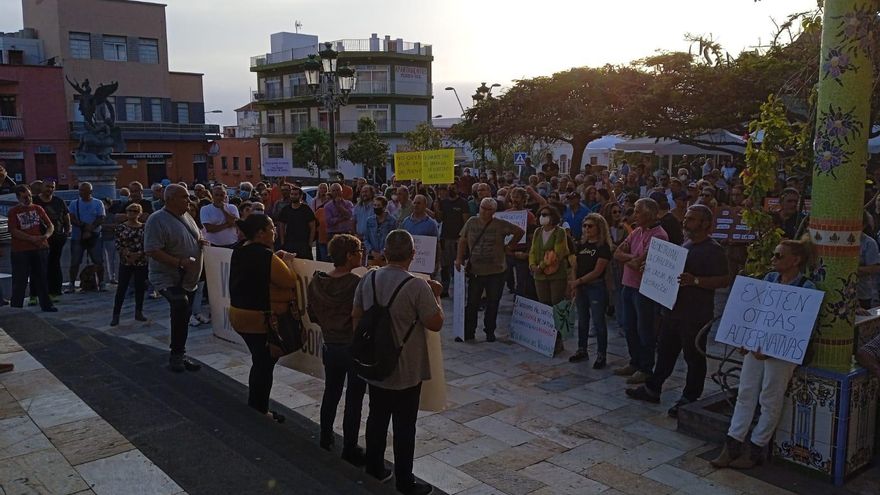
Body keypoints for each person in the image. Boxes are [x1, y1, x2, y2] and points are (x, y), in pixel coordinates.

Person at [711, 238, 817, 470]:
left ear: (795, 260)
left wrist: (771, 349)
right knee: (746, 392)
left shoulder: (806, 289)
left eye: (779, 255)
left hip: (782, 353)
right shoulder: (769, 279)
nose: (773, 259)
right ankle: (733, 442)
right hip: (757, 346)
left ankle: (757, 446)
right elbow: (755, 312)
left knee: (770, 396)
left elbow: (802, 328)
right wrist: (744, 338)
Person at [353, 230, 443, 495]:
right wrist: (437, 295)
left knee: (376, 417)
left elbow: (356, 315)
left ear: (385, 252)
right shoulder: (417, 286)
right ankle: (405, 481)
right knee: (404, 426)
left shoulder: (369, 278)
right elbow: (435, 323)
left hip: (375, 363)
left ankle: (374, 468)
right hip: (406, 367)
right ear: (412, 255)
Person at [626, 205, 730, 416]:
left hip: (696, 314)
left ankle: (690, 396)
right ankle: (653, 388)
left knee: (694, 357)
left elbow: (724, 280)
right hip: (673, 310)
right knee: (665, 352)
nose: (685, 221)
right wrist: (652, 270)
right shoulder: (686, 243)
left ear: (705, 224)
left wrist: (696, 281)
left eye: (691, 219)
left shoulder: (714, 250)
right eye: (687, 217)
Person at [228, 214, 296, 422]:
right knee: (264, 363)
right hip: (257, 318)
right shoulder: (264, 255)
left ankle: (256, 405)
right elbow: (288, 281)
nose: (274, 231)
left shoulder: (240, 249)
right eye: (271, 228)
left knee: (260, 361)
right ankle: (260, 409)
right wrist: (288, 262)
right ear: (260, 233)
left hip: (238, 313)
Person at [308, 234, 367, 464]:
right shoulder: (355, 283)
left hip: (330, 344)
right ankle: (350, 447)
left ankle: (325, 436)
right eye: (359, 251)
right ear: (349, 255)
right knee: (354, 398)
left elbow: (312, 314)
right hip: (352, 346)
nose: (362, 254)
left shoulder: (317, 281)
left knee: (331, 392)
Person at [144, 184, 206, 373]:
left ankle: (179, 352)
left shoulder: (187, 216)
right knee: (180, 304)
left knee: (184, 314)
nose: (189, 200)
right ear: (169, 199)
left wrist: (199, 241)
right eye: (184, 197)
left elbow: (193, 235)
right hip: (167, 277)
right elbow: (152, 250)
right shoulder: (156, 220)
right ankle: (176, 356)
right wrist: (178, 262)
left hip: (188, 279)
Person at [613, 198, 668, 384]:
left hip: (644, 289)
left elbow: (638, 263)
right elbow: (617, 253)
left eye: (638, 211)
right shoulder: (637, 231)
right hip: (628, 284)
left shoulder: (659, 236)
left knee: (644, 329)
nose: (634, 215)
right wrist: (632, 257)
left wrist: (629, 258)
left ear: (649, 214)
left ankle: (645, 367)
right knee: (629, 326)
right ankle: (634, 361)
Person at [455, 198, 524, 343]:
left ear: (493, 211)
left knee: (493, 302)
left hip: (496, 271)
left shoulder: (500, 224)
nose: (484, 211)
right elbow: (462, 239)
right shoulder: (472, 222)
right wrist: (459, 259)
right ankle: (469, 331)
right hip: (476, 270)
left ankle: (490, 331)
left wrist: (509, 246)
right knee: (472, 303)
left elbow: (519, 231)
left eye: (488, 209)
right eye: (483, 208)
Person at [568, 213, 612, 368]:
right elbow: (575, 266)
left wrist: (578, 281)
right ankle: (582, 349)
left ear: (599, 228)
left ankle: (601, 354)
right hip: (581, 287)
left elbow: (598, 271)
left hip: (595, 286)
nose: (587, 229)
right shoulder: (582, 245)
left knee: (599, 321)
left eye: (590, 226)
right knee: (582, 320)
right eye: (584, 226)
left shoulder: (603, 247)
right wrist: (575, 283)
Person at [8, 185, 56, 312]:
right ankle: (16, 307)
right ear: (18, 198)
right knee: (20, 280)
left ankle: (46, 304)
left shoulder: (38, 208)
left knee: (42, 278)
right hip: (21, 250)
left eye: (29, 196)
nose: (28, 199)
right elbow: (13, 230)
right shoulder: (13, 212)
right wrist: (31, 238)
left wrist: (46, 236)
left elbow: (50, 225)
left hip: (40, 248)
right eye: (24, 197)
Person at [110, 202, 149, 326]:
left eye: (135, 211)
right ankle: (116, 315)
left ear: (140, 214)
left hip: (141, 261)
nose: (132, 213)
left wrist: (139, 254)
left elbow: (148, 243)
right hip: (126, 261)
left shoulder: (144, 227)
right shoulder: (121, 227)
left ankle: (139, 312)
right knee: (121, 288)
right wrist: (127, 254)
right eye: (130, 211)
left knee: (140, 287)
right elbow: (118, 243)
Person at [33, 180, 69, 298]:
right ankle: (38, 293)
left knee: (55, 265)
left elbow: (66, 218)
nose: (50, 189)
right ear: (42, 187)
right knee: (39, 266)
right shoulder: (34, 201)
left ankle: (55, 291)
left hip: (57, 238)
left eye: (52, 187)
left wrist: (66, 233)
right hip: (39, 239)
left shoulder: (59, 201)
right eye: (47, 186)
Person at [68, 182, 106, 293]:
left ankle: (101, 282)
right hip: (78, 236)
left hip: (95, 236)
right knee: (75, 261)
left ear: (90, 191)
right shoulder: (74, 203)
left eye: (84, 190)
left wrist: (91, 229)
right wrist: (84, 226)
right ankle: (71, 283)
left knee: (98, 260)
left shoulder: (98, 203)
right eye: (80, 190)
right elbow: (72, 218)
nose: (82, 193)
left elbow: (101, 218)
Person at [436, 184, 470, 297]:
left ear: (457, 189)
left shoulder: (463, 203)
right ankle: (445, 289)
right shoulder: (443, 203)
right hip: (445, 238)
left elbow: (466, 222)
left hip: (457, 239)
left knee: (458, 266)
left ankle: (459, 290)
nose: (451, 190)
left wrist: (462, 238)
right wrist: (437, 208)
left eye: (453, 188)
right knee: (444, 266)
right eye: (449, 188)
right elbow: (439, 219)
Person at [277, 186, 316, 260]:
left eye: (295, 194)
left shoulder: (306, 209)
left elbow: (313, 226)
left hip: (303, 244)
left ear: (300, 196)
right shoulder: (286, 210)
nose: (293, 196)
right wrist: (282, 242)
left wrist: (310, 243)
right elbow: (281, 226)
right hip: (289, 243)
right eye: (292, 194)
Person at [364, 196, 399, 266]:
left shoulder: (392, 221)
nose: (376, 207)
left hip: (385, 257)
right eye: (375, 205)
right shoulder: (369, 221)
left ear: (384, 207)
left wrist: (382, 253)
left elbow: (393, 240)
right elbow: (366, 239)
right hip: (372, 256)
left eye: (378, 205)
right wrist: (371, 251)